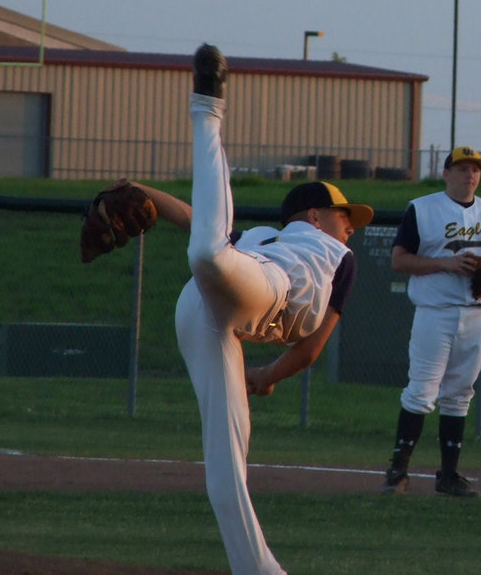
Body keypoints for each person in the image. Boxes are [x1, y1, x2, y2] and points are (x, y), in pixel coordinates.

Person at [128, 43, 373, 575]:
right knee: (205, 251)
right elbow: (310, 350)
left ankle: (258, 570)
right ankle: (207, 107)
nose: (351, 223)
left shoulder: (263, 239)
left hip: (221, 303)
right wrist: (267, 374)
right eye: (343, 214)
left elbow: (197, 215)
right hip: (254, 290)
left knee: (228, 462)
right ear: (314, 214)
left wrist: (133, 191)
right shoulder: (335, 254)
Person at [379, 146, 481, 498]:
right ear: (446, 173)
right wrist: (445, 264)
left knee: (459, 394)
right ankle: (397, 472)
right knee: (422, 390)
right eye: (462, 168)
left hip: (480, 313)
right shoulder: (422, 209)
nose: (470, 174)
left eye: (476, 169)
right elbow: (399, 261)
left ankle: (449, 476)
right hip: (435, 311)